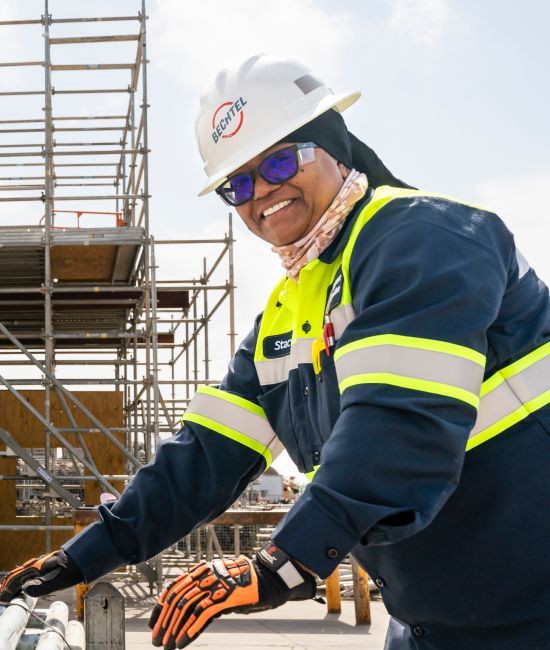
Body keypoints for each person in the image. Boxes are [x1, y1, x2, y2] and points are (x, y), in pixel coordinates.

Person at [1, 54, 550, 650]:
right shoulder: (287, 314)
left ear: (335, 146)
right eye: (237, 185)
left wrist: (283, 563)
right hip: (435, 624)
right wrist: (86, 555)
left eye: (281, 161)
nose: (261, 192)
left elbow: (400, 423)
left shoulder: (426, 238)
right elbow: (202, 459)